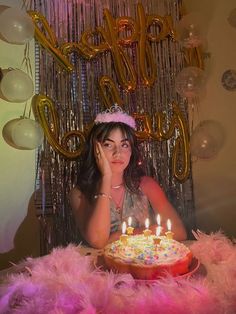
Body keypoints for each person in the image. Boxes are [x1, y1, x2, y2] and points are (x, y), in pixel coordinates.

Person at [69, 105, 187, 249]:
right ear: (96, 150)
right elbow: (98, 241)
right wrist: (106, 176)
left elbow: (179, 233)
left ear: (131, 150)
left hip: (146, 265)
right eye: (108, 144)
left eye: (124, 145)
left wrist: (117, 236)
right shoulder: (80, 194)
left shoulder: (147, 185)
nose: (117, 153)